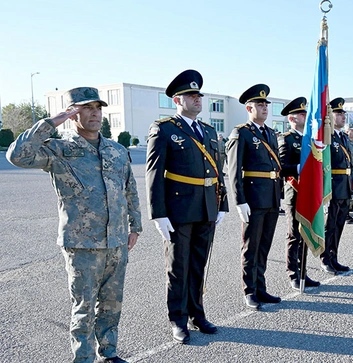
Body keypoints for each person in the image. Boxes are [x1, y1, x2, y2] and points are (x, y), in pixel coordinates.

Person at [7, 87, 142, 363]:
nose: (94, 113)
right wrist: (52, 121)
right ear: (72, 113)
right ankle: (83, 358)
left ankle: (109, 352)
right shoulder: (60, 150)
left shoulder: (115, 150)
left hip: (116, 241)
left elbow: (129, 188)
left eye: (97, 107)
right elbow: (17, 155)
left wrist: (135, 226)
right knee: (83, 308)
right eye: (86, 108)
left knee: (112, 304)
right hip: (82, 245)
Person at [146, 70, 228, 344]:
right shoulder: (165, 129)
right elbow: (154, 174)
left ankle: (197, 313)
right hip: (178, 209)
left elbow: (218, 169)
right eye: (191, 95)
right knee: (178, 267)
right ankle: (178, 319)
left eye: (198, 95)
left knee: (198, 265)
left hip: (206, 206)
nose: (197, 99)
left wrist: (223, 203)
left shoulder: (208, 130)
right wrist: (158, 214)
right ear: (177, 101)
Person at [227, 84, 282, 309]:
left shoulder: (270, 133)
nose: (265, 108)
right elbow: (233, 169)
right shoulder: (241, 133)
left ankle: (261, 287)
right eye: (260, 104)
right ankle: (249, 290)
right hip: (253, 198)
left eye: (266, 104)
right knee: (251, 246)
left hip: (271, 197)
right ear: (249, 108)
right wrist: (240, 200)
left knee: (264, 245)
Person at [277, 96, 321, 290]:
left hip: (308, 192)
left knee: (305, 233)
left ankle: (303, 272)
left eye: (305, 113)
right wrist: (299, 167)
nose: (305, 116)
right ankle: (293, 273)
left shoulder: (309, 140)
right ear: (291, 118)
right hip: (294, 191)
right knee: (294, 234)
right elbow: (281, 167)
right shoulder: (286, 139)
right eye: (301, 114)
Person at [320, 97, 353, 275]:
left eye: (343, 113)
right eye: (338, 113)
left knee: (339, 224)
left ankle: (334, 257)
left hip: (344, 187)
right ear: (330, 116)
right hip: (331, 187)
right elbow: (322, 165)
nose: (342, 116)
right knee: (329, 225)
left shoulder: (344, 137)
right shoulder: (326, 136)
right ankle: (325, 258)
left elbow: (350, 164)